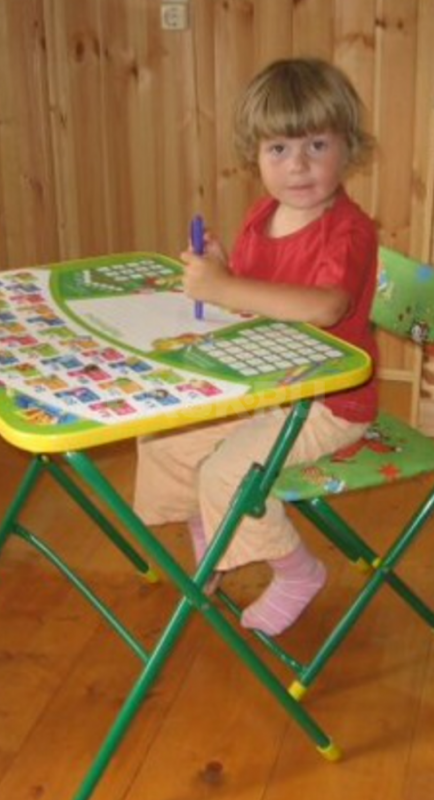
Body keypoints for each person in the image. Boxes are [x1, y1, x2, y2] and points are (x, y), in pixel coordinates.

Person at [133, 58, 379, 636]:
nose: (298, 165)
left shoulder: (348, 231)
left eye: (317, 144)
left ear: (348, 147)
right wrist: (227, 273)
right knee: (164, 437)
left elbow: (326, 306)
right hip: (267, 387)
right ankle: (212, 541)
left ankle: (297, 572)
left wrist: (223, 287)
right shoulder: (263, 215)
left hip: (327, 403)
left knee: (228, 472)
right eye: (279, 149)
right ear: (255, 154)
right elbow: (260, 300)